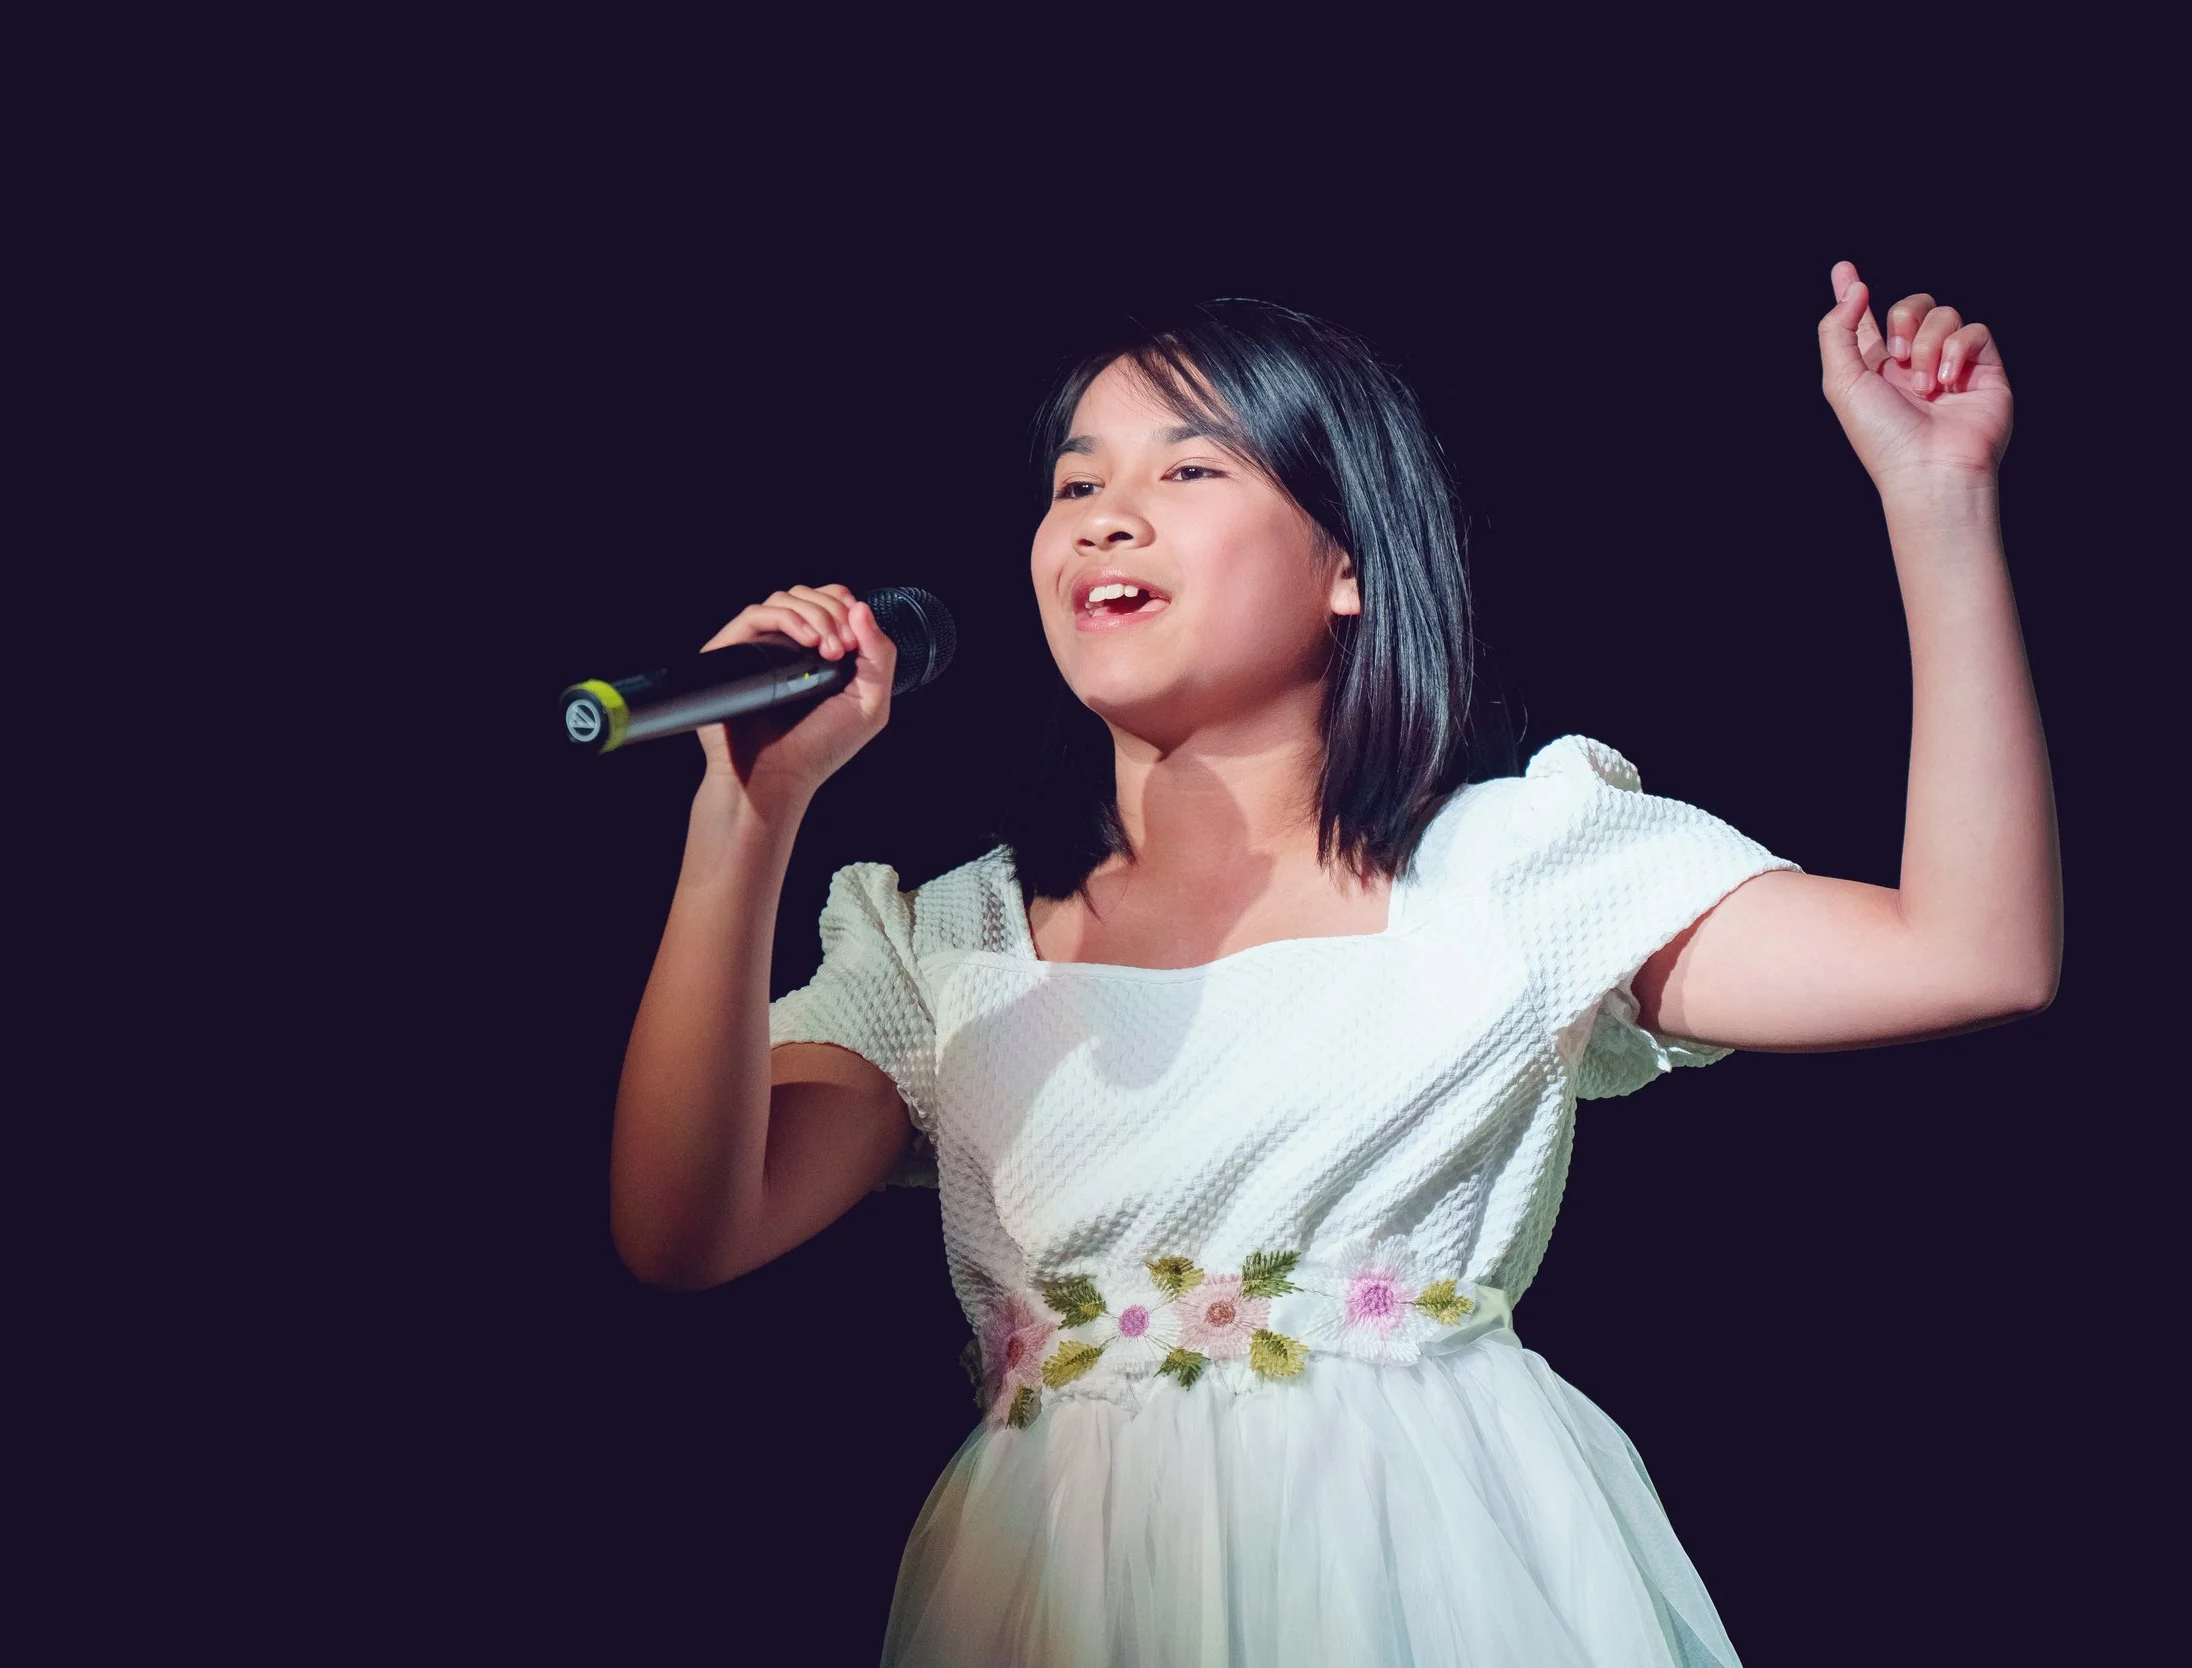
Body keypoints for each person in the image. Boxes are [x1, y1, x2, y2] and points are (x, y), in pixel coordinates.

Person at [608, 267, 2057, 1666]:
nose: (1107, 519)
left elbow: (1970, 952)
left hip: (1428, 1567)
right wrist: (747, 819)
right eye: (1074, 485)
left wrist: (1938, 507)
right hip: (1062, 1594)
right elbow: (685, 1229)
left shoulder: (1505, 872)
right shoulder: (951, 944)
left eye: (1186, 474)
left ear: (1348, 564)